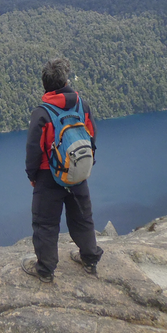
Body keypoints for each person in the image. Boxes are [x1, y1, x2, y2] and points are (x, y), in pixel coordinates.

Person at [22, 57, 103, 283]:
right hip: (77, 172)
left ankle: (46, 271)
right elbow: (91, 137)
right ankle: (89, 260)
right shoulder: (81, 105)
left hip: (49, 176)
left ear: (45, 83)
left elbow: (34, 150)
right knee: (83, 219)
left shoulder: (42, 113)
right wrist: (86, 165)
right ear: (66, 79)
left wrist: (32, 176)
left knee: (46, 224)